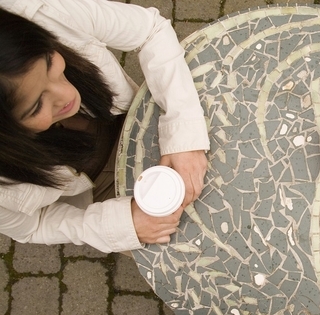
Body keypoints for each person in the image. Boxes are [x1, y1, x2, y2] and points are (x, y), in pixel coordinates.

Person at [0, 0, 210, 253]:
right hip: (102, 189)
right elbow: (32, 226)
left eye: (49, 62)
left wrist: (184, 132)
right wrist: (122, 224)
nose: (67, 95)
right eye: (36, 106)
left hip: (140, 119)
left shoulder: (33, 13)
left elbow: (150, 29)